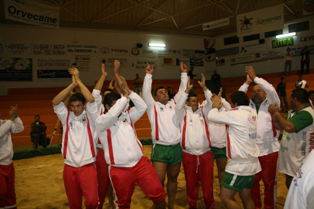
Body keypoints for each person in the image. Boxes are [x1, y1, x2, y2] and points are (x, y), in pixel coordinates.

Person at [95, 64, 166, 209]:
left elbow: (142, 106)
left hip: (141, 164)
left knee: (159, 194)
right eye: (115, 105)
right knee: (123, 204)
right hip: (119, 169)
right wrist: (124, 97)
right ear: (107, 107)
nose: (120, 107)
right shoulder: (102, 122)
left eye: (120, 104)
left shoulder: (127, 116)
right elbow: (114, 113)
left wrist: (130, 92)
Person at [142, 62, 188, 209]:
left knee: (173, 179)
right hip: (160, 148)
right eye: (160, 92)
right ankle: (159, 206)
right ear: (155, 97)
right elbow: (145, 93)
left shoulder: (175, 104)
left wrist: (184, 74)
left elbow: (182, 90)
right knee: (159, 181)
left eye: (165, 92)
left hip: (175, 148)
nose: (164, 93)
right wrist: (148, 75)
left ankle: (171, 205)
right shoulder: (152, 106)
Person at [52, 67, 99, 209]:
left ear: (84, 106)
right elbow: (55, 102)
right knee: (74, 204)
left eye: (78, 105)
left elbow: (91, 98)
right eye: (73, 106)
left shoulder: (91, 116)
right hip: (69, 167)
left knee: (91, 201)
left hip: (88, 166)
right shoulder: (66, 116)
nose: (75, 109)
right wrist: (72, 85)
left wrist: (78, 81)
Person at [207, 91, 261, 209]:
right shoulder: (252, 112)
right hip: (252, 163)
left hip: (239, 166)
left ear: (235, 103)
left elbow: (211, 116)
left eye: (231, 103)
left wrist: (215, 106)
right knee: (247, 197)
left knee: (225, 197)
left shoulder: (235, 113)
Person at [239, 66, 280, 209]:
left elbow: (271, 89)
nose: (256, 93)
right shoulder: (246, 106)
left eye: (259, 90)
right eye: (253, 91)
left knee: (269, 184)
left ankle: (270, 207)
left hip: (269, 152)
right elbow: (237, 96)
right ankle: (256, 207)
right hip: (252, 153)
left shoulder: (272, 102)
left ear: (264, 93)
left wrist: (255, 78)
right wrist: (247, 83)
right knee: (253, 184)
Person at [175, 74, 215, 209]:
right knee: (191, 183)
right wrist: (186, 91)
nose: (195, 103)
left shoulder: (205, 112)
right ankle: (193, 206)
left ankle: (210, 205)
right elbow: (178, 105)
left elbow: (211, 101)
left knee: (208, 183)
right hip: (189, 154)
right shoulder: (182, 113)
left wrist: (204, 88)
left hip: (205, 154)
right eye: (192, 101)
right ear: (187, 102)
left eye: (196, 100)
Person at [268, 88, 314, 189]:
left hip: (301, 159)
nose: (289, 101)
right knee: (290, 185)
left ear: (295, 99)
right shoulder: (293, 112)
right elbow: (280, 126)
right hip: (292, 159)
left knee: (299, 188)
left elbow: (289, 127)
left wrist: (276, 113)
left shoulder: (307, 113)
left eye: (290, 98)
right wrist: (275, 116)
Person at [91, 63, 115, 209]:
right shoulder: (97, 110)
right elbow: (95, 94)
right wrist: (103, 76)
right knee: (101, 182)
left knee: (114, 181)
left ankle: (112, 203)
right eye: (104, 96)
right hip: (101, 151)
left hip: (116, 150)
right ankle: (100, 205)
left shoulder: (117, 111)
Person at [0, 105, 24, 209]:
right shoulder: (7, 123)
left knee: (10, 192)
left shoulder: (5, 123)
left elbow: (20, 128)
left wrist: (16, 116)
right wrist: (10, 119)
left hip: (9, 164)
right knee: (1, 192)